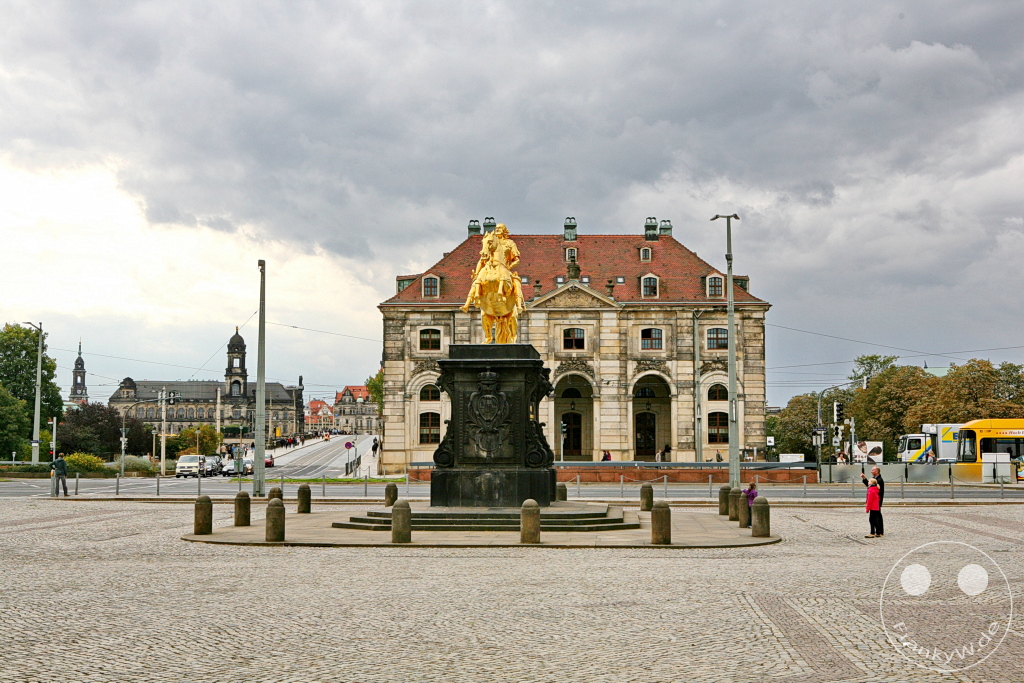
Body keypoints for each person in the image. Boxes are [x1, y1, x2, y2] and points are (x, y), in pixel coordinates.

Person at [861, 465, 885, 536]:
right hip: (876, 502)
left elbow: (874, 490)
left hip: (876, 502)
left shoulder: (879, 480)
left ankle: (878, 531)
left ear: (876, 471)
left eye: (872, 470)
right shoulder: (875, 479)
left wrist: (868, 507)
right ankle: (879, 532)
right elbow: (870, 484)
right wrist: (864, 478)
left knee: (875, 517)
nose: (871, 471)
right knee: (876, 517)